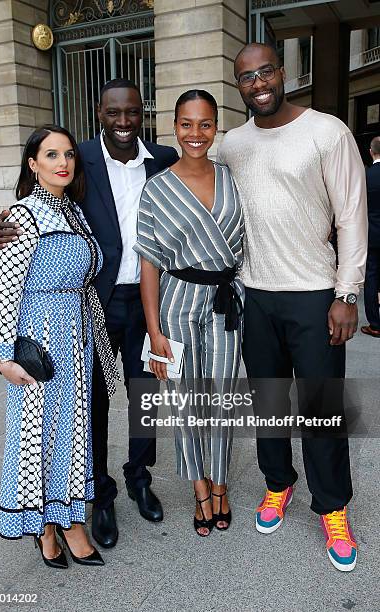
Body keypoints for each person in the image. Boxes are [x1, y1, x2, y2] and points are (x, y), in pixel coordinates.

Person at [0, 79, 179, 550]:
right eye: (114, 112)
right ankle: (98, 492)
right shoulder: (78, 160)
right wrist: (1, 226)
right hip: (94, 301)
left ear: (142, 114)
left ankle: (139, 476)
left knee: (145, 393)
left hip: (153, 299)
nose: (123, 121)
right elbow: (39, 206)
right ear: (100, 113)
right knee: (89, 399)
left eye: (132, 112)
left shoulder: (165, 161)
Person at [218, 43, 367, 571]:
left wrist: (347, 294)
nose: (257, 83)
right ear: (237, 85)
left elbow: (351, 215)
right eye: (245, 77)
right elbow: (185, 177)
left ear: (282, 73)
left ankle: (332, 507)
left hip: (315, 295)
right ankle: (278, 483)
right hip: (255, 295)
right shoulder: (231, 144)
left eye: (265, 72)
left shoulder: (327, 132)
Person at [0, 125, 120, 568]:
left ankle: (70, 521)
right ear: (33, 164)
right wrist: (4, 355)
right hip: (39, 336)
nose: (63, 162)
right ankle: (43, 526)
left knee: (71, 431)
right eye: (50, 155)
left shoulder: (74, 213)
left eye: (67, 154)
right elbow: (6, 287)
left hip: (75, 335)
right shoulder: (22, 216)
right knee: (36, 436)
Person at [134, 90, 245, 536]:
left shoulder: (234, 178)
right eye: (186, 124)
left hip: (225, 303)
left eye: (204, 124)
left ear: (215, 127)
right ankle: (199, 488)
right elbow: (148, 262)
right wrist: (154, 331)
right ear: (173, 126)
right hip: (176, 301)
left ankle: (221, 483)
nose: (195, 133)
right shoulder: (157, 188)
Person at [361, 136, 380, 338]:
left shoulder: (366, 176)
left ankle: (375, 324)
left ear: (371, 152)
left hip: (372, 234)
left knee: (371, 277)